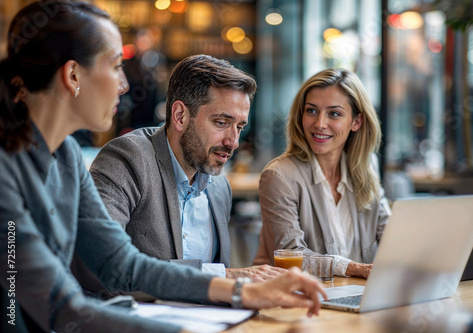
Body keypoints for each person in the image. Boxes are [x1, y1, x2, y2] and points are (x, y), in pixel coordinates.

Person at [0, 1, 327, 332]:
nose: (124, 84)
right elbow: (62, 306)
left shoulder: (67, 154)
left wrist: (243, 290)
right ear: (72, 76)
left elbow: (121, 264)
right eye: (115, 66)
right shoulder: (7, 170)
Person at [74, 54, 283, 296]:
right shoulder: (128, 158)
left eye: (239, 126)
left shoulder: (218, 186)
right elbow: (96, 262)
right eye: (221, 123)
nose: (233, 142)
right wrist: (222, 277)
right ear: (180, 116)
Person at [253, 69, 391, 278]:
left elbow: (391, 236)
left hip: (358, 297)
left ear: (357, 122)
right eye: (311, 111)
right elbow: (292, 258)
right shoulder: (279, 176)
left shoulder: (366, 167)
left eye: (334, 113)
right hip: (294, 300)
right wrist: (352, 268)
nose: (319, 123)